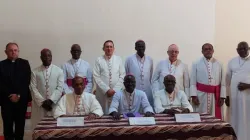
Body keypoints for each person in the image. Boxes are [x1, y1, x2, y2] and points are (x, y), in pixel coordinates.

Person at [0, 43, 31, 140]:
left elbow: (26, 81)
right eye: (11, 50)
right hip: (6, 101)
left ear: (18, 51)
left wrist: (18, 95)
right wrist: (10, 95)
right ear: (6, 52)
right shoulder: (1, 65)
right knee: (7, 128)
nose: (13, 52)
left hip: (21, 101)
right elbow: (1, 83)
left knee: (20, 127)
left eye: (15, 50)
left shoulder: (25, 63)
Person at [30, 49, 64, 129]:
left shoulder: (59, 71)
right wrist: (42, 102)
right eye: (44, 56)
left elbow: (60, 88)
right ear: (41, 57)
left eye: (49, 56)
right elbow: (33, 88)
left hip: (53, 105)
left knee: (53, 128)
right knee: (39, 127)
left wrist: (51, 100)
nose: (47, 58)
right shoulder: (34, 72)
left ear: (51, 57)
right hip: (40, 106)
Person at [190, 43, 225, 119]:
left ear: (213, 51)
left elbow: (223, 83)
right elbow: (192, 81)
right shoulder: (196, 63)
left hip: (215, 96)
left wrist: (222, 97)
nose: (208, 51)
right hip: (200, 95)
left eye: (210, 49)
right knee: (200, 116)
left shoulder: (219, 63)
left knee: (214, 117)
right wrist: (193, 95)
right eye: (206, 49)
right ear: (202, 51)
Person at [225, 41, 250, 140]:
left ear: (249, 48)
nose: (242, 50)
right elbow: (227, 81)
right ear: (237, 50)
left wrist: (248, 85)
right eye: (240, 49)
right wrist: (227, 96)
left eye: (245, 48)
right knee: (234, 117)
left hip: (248, 96)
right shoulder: (232, 61)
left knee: (246, 118)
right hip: (234, 96)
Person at [93, 40, 125, 114]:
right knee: (102, 112)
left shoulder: (118, 59)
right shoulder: (98, 60)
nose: (109, 48)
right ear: (103, 49)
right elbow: (96, 76)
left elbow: (122, 75)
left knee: (116, 112)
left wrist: (114, 90)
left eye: (111, 47)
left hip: (116, 92)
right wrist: (106, 90)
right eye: (107, 47)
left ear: (113, 48)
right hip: (102, 93)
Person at [125, 40, 154, 107]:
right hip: (134, 90)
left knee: (147, 109)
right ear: (135, 48)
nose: (141, 48)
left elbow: (150, 75)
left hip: (147, 90)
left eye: (142, 46)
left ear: (145, 47)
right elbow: (126, 74)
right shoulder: (129, 59)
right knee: (135, 109)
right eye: (139, 46)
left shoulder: (150, 59)